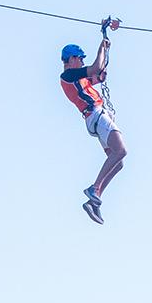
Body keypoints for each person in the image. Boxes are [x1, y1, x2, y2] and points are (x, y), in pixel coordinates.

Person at [60, 21, 125, 224]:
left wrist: (105, 45)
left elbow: (99, 73)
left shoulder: (79, 77)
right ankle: (94, 189)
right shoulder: (68, 75)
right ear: (71, 59)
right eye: (79, 59)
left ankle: (94, 200)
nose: (81, 62)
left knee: (119, 162)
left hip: (95, 118)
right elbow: (95, 67)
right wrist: (100, 48)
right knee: (121, 151)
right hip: (96, 115)